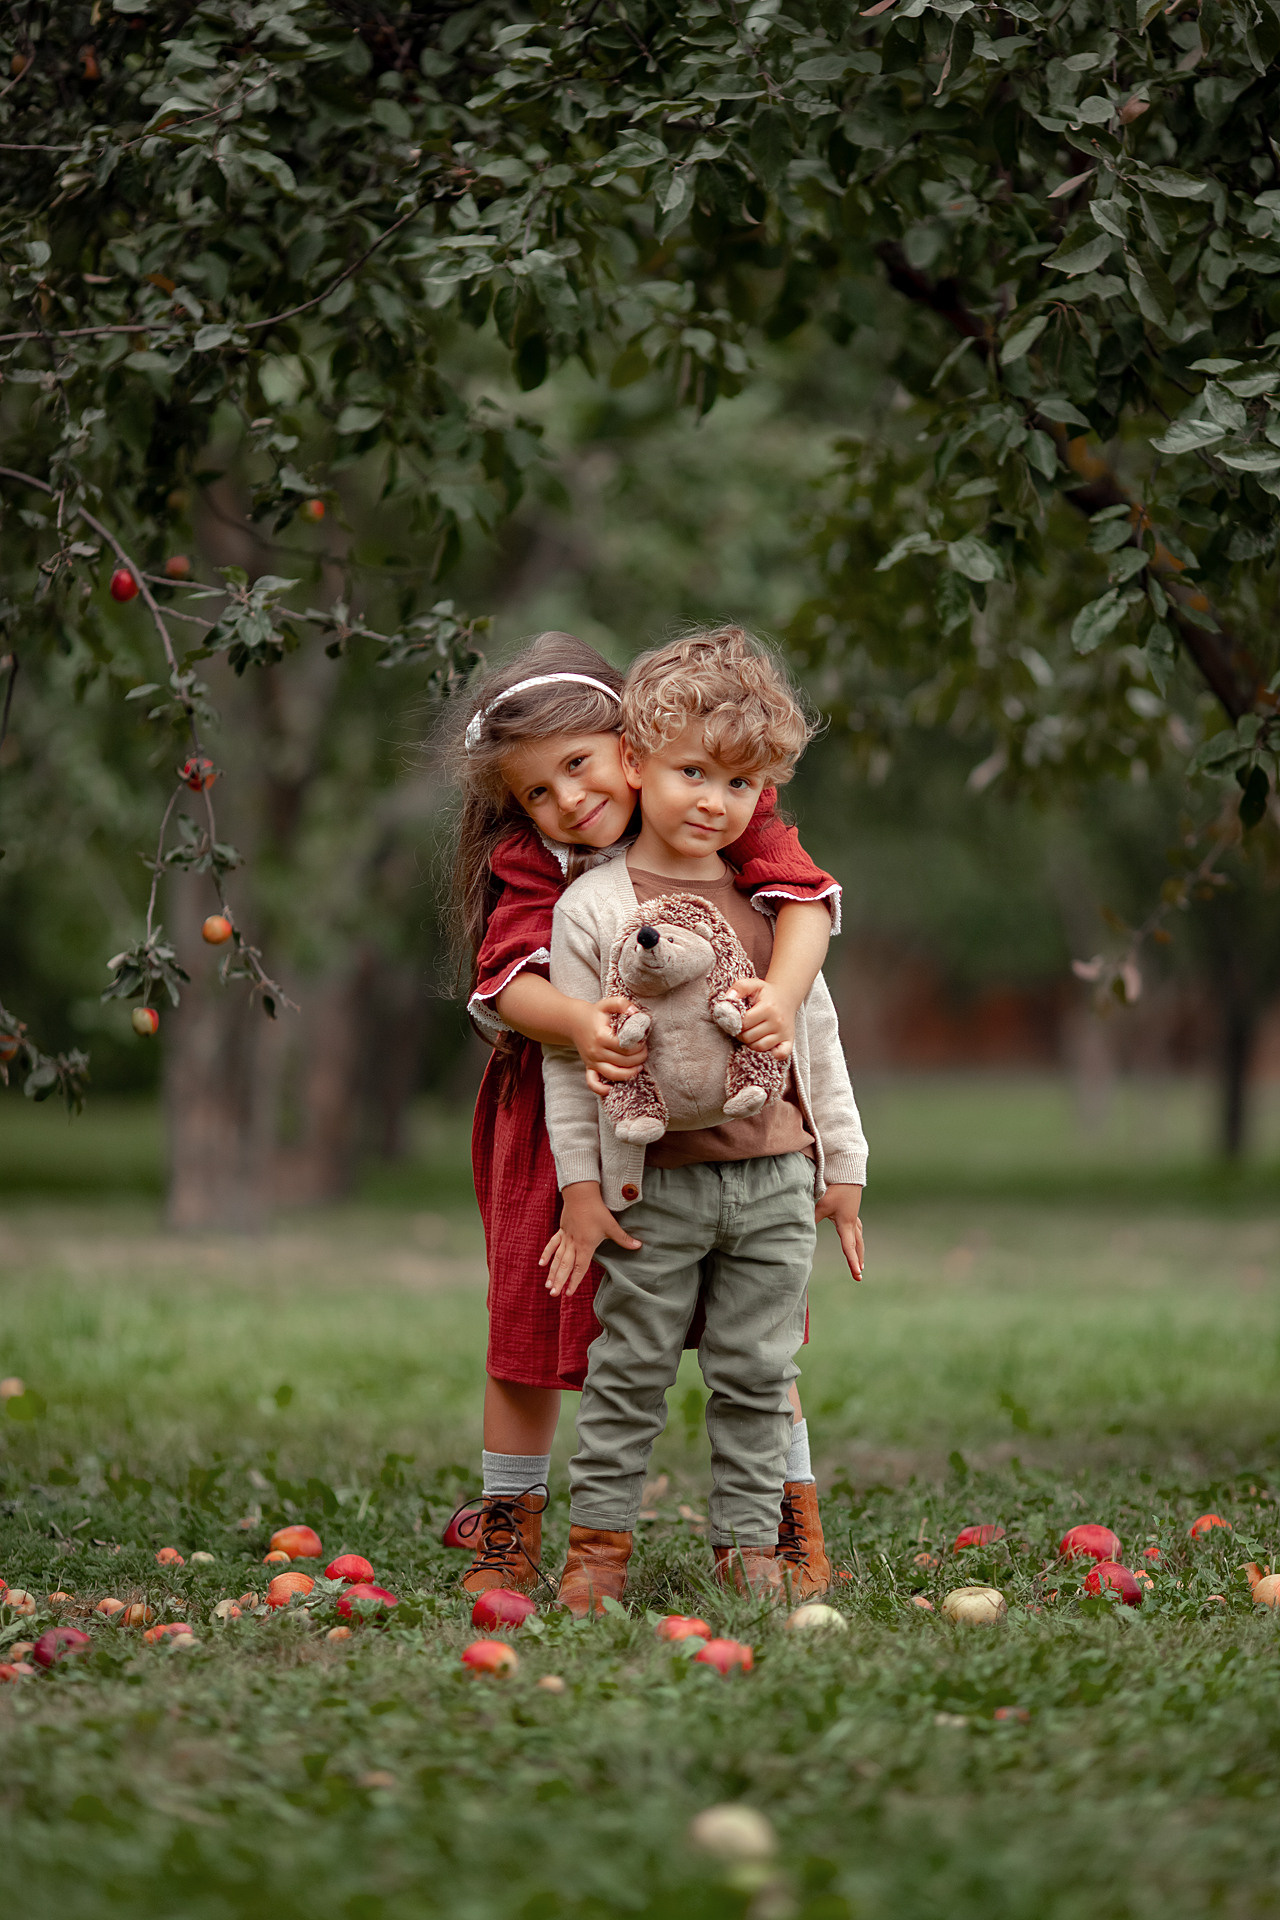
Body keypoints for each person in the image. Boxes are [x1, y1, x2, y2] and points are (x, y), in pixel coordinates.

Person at [444, 630, 843, 1596]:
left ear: (631, 745)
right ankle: (512, 1521)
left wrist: (779, 1002)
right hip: (563, 1119)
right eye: (537, 790)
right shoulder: (540, 863)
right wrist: (582, 1023)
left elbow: (807, 906)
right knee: (535, 1323)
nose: (568, 801)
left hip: (721, 1139)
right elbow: (507, 986)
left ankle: (784, 1522)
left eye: (578, 767)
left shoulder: (714, 806)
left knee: (752, 1334)